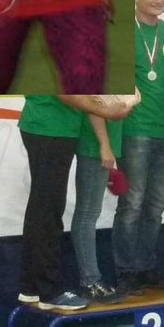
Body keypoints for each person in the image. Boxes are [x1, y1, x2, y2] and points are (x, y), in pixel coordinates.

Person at [17, 95, 131, 311]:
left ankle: (31, 287)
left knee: (41, 207)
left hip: (52, 126)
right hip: (51, 127)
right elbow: (68, 93)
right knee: (48, 210)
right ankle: (48, 292)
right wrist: (105, 111)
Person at [113, 0, 164, 297]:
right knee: (133, 203)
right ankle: (126, 271)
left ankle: (146, 266)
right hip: (135, 130)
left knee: (155, 205)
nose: (158, 0)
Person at [71, 109, 126, 304]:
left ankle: (91, 280)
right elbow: (93, 104)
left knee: (89, 213)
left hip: (103, 142)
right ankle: (90, 281)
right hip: (94, 144)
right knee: (87, 213)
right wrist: (104, 144)